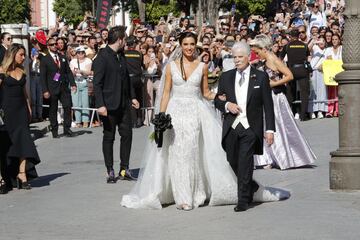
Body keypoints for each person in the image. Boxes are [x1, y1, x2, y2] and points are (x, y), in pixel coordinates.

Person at [121, 32, 289, 211]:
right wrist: (161, 117)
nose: (189, 47)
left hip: (195, 114)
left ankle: (196, 193)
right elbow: (165, 94)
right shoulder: (170, 67)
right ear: (180, 45)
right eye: (185, 44)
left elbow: (206, 93)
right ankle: (183, 197)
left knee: (192, 153)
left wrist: (224, 99)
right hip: (175, 114)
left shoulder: (202, 66)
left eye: (192, 44)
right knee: (177, 154)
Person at [214, 41, 276, 212]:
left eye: (240, 57)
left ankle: (243, 199)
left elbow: (268, 105)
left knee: (245, 161)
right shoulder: (226, 76)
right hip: (232, 126)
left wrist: (270, 130)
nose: (237, 60)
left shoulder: (261, 77)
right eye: (234, 57)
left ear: (249, 57)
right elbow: (217, 100)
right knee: (232, 159)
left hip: (251, 128)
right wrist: (228, 105)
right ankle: (250, 186)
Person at [249, 34, 316, 170]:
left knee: (279, 127)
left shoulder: (273, 59)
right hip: (266, 97)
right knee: (266, 126)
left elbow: (290, 75)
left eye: (257, 52)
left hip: (276, 97)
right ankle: (268, 157)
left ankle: (284, 156)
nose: (256, 55)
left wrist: (274, 84)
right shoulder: (263, 60)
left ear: (264, 49)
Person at [93, 26, 140, 183]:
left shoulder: (121, 55)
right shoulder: (102, 57)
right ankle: (110, 170)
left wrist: (133, 97)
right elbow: (97, 83)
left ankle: (124, 168)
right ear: (120, 40)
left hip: (124, 103)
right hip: (108, 104)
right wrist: (100, 104)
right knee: (109, 137)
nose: (125, 42)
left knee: (127, 135)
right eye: (124, 39)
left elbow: (126, 78)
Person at [0, 43, 40, 190]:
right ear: (13, 55)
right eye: (21, 55)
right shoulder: (2, 71)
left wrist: (29, 107)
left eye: (24, 55)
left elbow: (24, 91)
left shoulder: (22, 70)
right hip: (7, 111)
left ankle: (22, 173)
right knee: (7, 144)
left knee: (24, 141)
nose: (24, 58)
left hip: (21, 110)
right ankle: (4, 178)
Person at [40, 37, 77, 138]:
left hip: (63, 87)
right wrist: (45, 90)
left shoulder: (62, 57)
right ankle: (54, 130)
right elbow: (42, 77)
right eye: (52, 44)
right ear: (48, 46)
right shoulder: (45, 59)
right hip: (52, 88)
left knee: (67, 106)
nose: (54, 46)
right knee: (53, 109)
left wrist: (73, 84)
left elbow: (68, 72)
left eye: (55, 44)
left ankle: (67, 128)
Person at [284, 28, 311, 121]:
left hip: (291, 70)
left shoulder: (287, 46)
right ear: (299, 35)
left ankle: (290, 114)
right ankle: (303, 116)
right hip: (302, 70)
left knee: (290, 92)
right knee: (304, 93)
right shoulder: (304, 45)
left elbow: (280, 58)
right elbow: (308, 57)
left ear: (290, 36)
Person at [69, 46, 92, 128]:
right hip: (75, 83)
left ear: (84, 53)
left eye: (82, 52)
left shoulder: (88, 60)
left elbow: (88, 72)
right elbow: (70, 72)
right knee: (76, 103)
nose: (80, 54)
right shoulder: (73, 61)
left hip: (84, 82)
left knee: (85, 103)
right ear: (76, 53)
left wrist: (81, 71)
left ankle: (85, 121)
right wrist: (74, 72)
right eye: (79, 53)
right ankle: (78, 121)